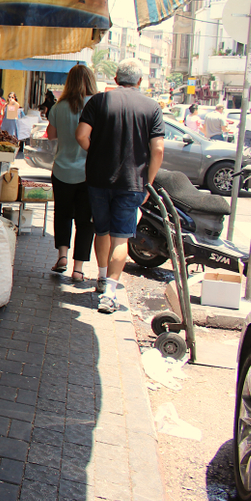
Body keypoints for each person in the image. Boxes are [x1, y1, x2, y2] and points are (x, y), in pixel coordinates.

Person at [76, 59, 165, 313]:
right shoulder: (152, 107)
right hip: (132, 182)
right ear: (140, 81)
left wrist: (97, 155)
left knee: (100, 230)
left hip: (97, 179)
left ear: (115, 79)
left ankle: (101, 277)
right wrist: (148, 181)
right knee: (121, 237)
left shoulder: (99, 101)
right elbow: (157, 149)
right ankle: (110, 295)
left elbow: (81, 135)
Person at [47, 65, 99, 283]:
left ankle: (62, 256)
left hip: (61, 170)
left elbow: (51, 135)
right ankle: (78, 269)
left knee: (63, 214)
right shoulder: (96, 105)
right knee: (85, 221)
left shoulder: (59, 107)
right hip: (88, 174)